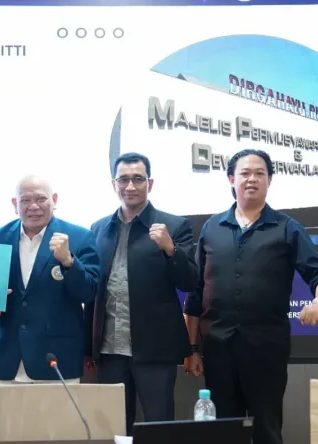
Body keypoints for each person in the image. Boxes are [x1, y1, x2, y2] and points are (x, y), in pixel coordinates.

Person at [183, 149, 318, 444]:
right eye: (244, 173)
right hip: (218, 349)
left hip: (266, 350)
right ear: (231, 179)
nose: (252, 179)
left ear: (270, 180)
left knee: (266, 429)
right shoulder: (211, 228)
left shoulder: (286, 228)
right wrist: (191, 348)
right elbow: (195, 293)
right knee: (223, 431)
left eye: (259, 173)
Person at [83, 152, 198, 435]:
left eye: (138, 179)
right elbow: (94, 292)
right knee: (114, 429)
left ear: (150, 183)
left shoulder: (174, 226)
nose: (130, 186)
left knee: (159, 427)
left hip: (155, 352)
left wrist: (171, 249)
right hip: (110, 351)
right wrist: (89, 346)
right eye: (123, 179)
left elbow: (189, 281)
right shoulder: (98, 229)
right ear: (114, 184)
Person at [0, 175, 100, 438]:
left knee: (58, 438)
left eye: (41, 199)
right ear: (15, 204)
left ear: (54, 200)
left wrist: (69, 261)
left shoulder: (79, 237)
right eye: (25, 200)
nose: (33, 206)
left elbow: (89, 292)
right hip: (8, 361)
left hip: (56, 361)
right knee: (6, 437)